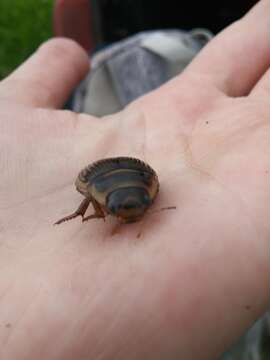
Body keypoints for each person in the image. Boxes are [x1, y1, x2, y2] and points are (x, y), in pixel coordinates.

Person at [0, 0, 270, 359]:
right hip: (119, 176)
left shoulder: (130, 193)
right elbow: (96, 194)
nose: (129, 217)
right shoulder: (121, 193)